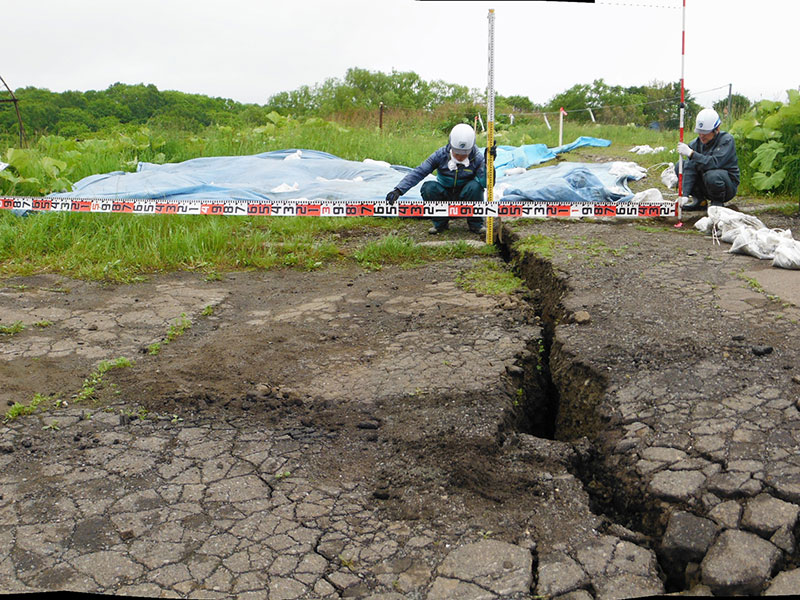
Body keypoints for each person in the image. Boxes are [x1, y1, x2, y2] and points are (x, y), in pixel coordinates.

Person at [385, 123, 488, 235]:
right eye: (457, 153)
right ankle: (440, 224)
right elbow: (419, 172)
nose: (459, 157)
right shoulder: (440, 155)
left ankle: (476, 225)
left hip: (465, 195)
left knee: (475, 186)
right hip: (445, 193)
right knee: (428, 187)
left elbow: (486, 184)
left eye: (464, 154)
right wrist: (399, 190)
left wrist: (488, 165)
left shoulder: (478, 157)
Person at [675, 107, 740, 211]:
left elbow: (714, 163)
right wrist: (685, 194)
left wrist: (692, 154)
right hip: (705, 183)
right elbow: (690, 168)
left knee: (712, 175)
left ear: (716, 130)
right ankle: (700, 201)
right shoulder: (694, 144)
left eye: (705, 133)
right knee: (681, 165)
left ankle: (717, 203)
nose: (701, 136)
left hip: (725, 185)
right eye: (699, 132)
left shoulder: (726, 141)